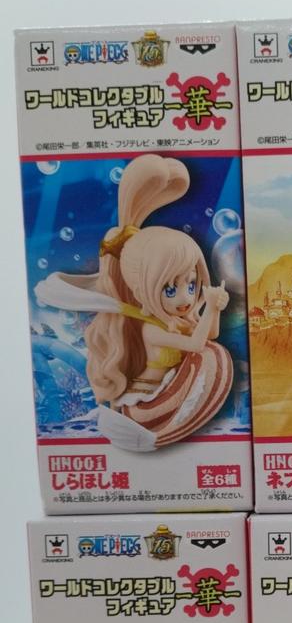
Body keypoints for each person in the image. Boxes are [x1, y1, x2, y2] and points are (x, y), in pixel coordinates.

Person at [36, 154, 232, 450]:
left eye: (191, 285)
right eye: (170, 289)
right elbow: (196, 344)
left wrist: (212, 309)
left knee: (215, 356)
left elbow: (211, 335)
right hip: (146, 405)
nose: (185, 298)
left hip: (168, 393)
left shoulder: (172, 320)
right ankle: (153, 437)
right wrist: (211, 308)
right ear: (142, 292)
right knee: (211, 357)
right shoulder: (151, 329)